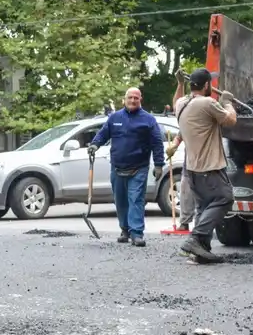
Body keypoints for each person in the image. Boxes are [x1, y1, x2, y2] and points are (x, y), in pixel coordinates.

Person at [173, 69, 237, 263]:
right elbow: (231, 120)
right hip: (209, 168)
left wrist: (179, 84)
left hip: (192, 170)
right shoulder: (208, 103)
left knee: (204, 207)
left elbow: (177, 99)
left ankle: (201, 251)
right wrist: (227, 102)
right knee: (225, 198)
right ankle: (196, 238)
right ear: (207, 85)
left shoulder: (181, 103)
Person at [89, 87, 165, 246]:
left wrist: (159, 164)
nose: (132, 100)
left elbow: (157, 143)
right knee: (120, 200)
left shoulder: (148, 120)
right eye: (130, 97)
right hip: (117, 167)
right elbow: (103, 134)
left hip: (139, 167)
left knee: (136, 199)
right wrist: (95, 145)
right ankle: (125, 229)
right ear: (124, 99)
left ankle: (136, 233)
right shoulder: (114, 118)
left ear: (140, 100)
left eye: (135, 98)